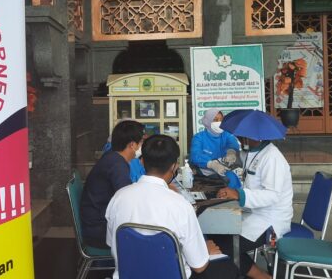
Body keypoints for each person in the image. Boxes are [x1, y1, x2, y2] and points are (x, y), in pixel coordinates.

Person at [105, 135, 239, 279]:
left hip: (130, 275)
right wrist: (205, 250)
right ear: (174, 167)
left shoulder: (118, 197)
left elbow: (112, 243)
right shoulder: (180, 205)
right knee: (229, 269)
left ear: (142, 162)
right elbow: (199, 266)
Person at [216, 137, 293, 279]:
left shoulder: (272, 158)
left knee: (225, 246)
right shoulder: (253, 151)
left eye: (242, 136)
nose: (239, 139)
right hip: (254, 213)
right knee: (217, 235)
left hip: (271, 221)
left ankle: (262, 277)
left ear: (254, 136)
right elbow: (239, 162)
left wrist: (239, 194)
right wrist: (223, 160)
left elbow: (272, 196)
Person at [81, 120, 145, 248]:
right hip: (99, 229)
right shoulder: (117, 165)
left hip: (96, 221)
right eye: (141, 142)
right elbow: (127, 199)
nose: (141, 146)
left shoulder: (112, 157)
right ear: (132, 144)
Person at [190, 108, 240, 176]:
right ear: (207, 121)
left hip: (224, 171)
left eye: (221, 120)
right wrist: (212, 164)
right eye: (215, 120)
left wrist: (231, 152)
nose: (219, 123)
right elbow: (195, 155)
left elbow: (233, 144)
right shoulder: (199, 137)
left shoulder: (227, 135)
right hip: (203, 174)